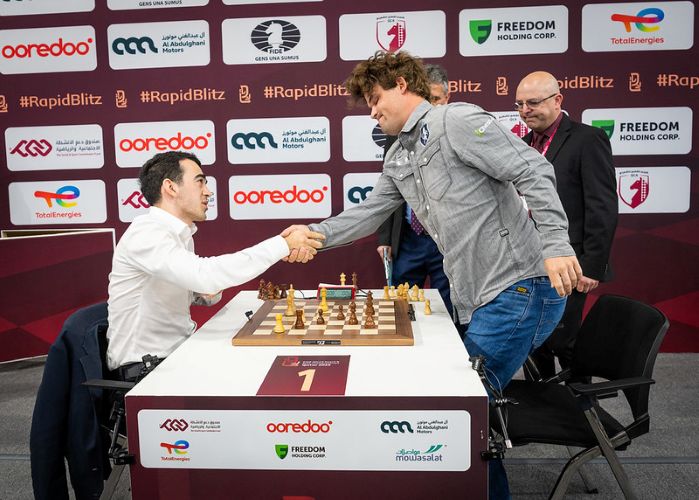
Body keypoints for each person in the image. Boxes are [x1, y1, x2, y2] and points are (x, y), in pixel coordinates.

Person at [283, 51, 582, 498]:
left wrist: (556, 244)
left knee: (461, 409)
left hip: (520, 287)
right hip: (482, 297)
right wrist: (314, 234)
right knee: (464, 408)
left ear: (402, 84)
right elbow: (369, 213)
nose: (372, 111)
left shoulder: (454, 121)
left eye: (375, 98)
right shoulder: (398, 155)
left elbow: (533, 168)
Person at [106, 151, 323, 379]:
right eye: (200, 182)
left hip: (176, 357)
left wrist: (201, 292)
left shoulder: (177, 234)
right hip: (145, 372)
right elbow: (204, 275)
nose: (208, 192)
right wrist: (283, 244)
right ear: (170, 187)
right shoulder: (147, 233)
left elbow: (194, 285)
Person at [516, 71, 618, 378]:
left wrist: (591, 266)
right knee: (535, 340)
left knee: (565, 340)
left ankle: (583, 401)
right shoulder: (520, 145)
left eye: (533, 102)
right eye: (519, 104)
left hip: (570, 262)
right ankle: (543, 398)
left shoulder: (588, 139)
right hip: (528, 263)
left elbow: (602, 207)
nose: (525, 110)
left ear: (557, 100)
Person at [376, 64, 455, 320]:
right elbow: (389, 186)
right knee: (401, 310)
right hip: (408, 238)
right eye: (425, 99)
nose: (429, 107)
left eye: (435, 99)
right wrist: (385, 238)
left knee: (451, 310)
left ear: (447, 97)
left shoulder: (456, 129)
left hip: (446, 239)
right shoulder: (398, 132)